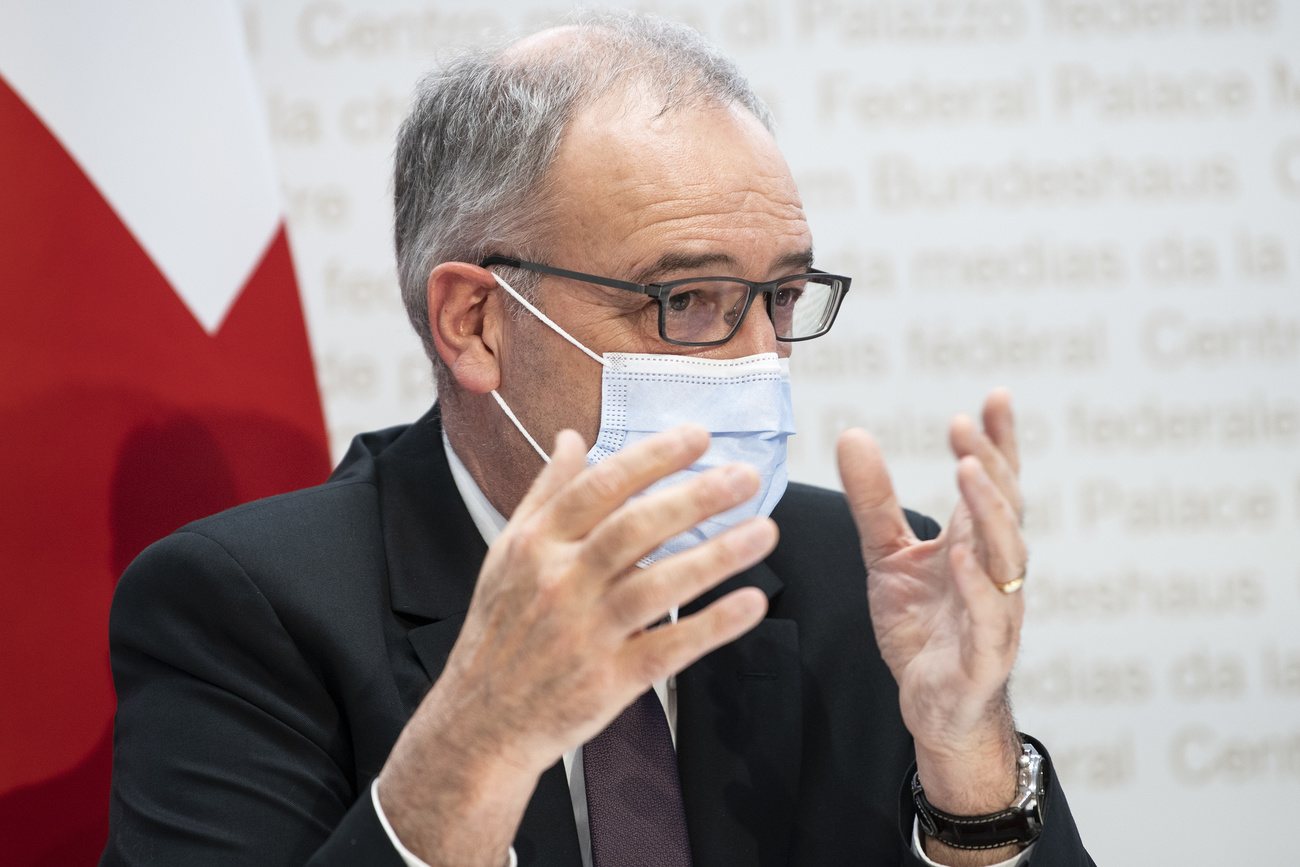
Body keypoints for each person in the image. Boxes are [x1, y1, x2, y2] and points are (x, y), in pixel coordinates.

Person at [102, 12, 1094, 867]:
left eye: (781, 298)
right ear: (474, 325)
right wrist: (470, 749)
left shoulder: (854, 586)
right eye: (686, 299)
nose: (761, 362)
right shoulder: (248, 611)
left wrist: (968, 771)